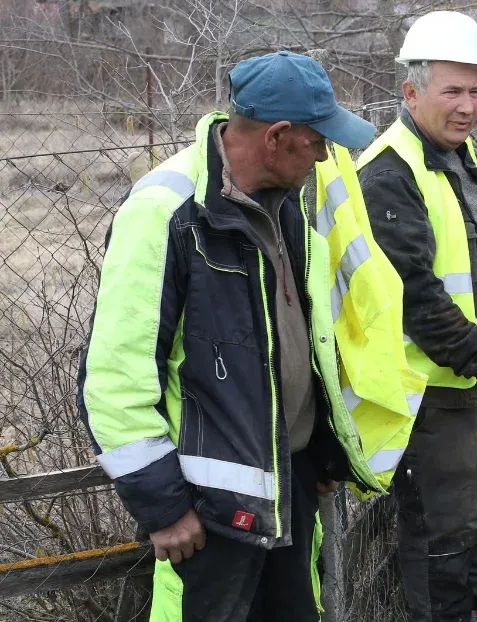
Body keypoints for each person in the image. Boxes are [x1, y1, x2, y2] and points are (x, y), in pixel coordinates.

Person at [77, 51, 385, 620]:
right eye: (318, 140)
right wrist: (163, 507)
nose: (325, 154)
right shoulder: (164, 211)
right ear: (277, 136)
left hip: (286, 487)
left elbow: (299, 343)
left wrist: (319, 455)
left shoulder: (287, 203)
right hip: (209, 511)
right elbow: (114, 379)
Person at [356, 10, 477, 622]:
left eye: (475, 90)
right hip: (435, 389)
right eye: (452, 92)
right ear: (411, 93)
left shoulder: (455, 158)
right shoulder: (390, 172)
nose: (468, 105)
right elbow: (413, 293)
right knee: (445, 530)